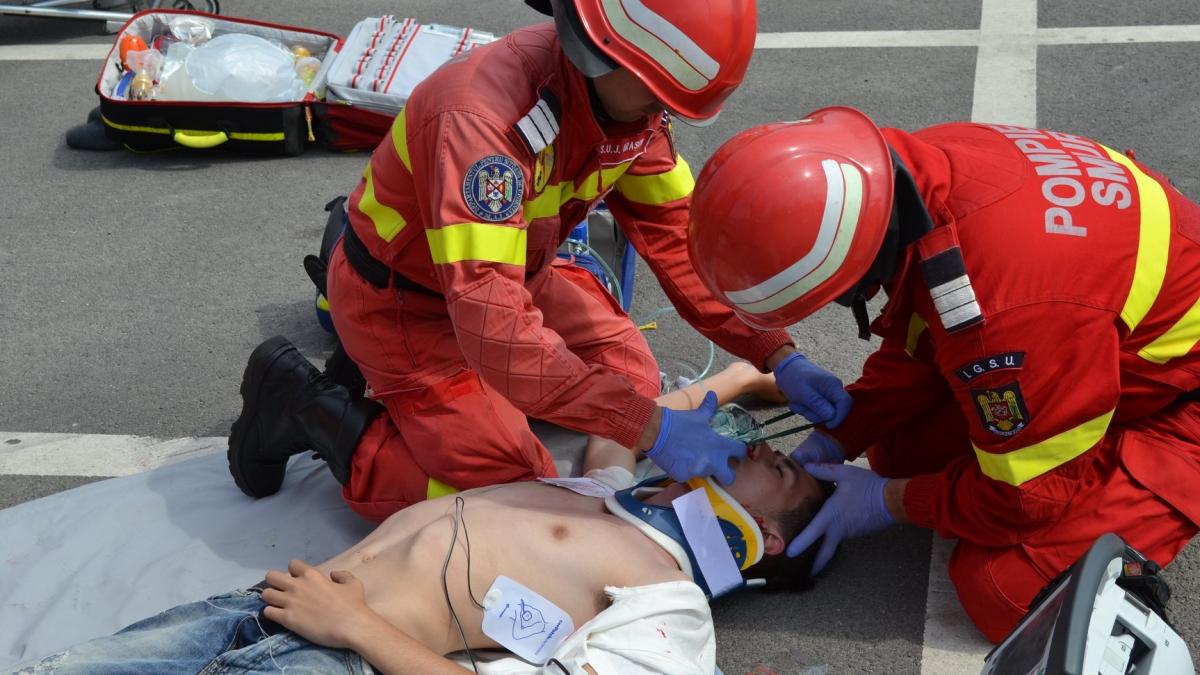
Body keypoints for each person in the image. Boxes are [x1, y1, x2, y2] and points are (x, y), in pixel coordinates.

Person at [227, 0, 851, 521]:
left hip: (516, 275)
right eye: (658, 95)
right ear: (605, 53)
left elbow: (683, 245)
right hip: (404, 304)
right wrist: (648, 429)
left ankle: (425, 405)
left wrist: (775, 352)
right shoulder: (485, 123)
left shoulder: (629, 109)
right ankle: (310, 410)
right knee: (511, 489)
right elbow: (496, 331)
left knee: (628, 372)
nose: (661, 115)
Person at [686, 106, 1200, 642]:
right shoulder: (906, 172)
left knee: (1003, 590)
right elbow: (931, 330)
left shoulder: (1000, 306)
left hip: (1182, 403)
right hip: (1101, 331)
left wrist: (891, 501)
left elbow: (1024, 497)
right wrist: (848, 430)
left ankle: (1132, 472)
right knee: (898, 451)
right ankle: (1074, 435)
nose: (761, 453)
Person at [13, 378, 831, 675]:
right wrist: (749, 375)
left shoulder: (672, 602)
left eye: (781, 468)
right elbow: (626, 416)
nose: (763, 448)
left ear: (770, 536)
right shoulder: (611, 490)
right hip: (265, 604)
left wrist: (355, 626)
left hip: (340, 652)